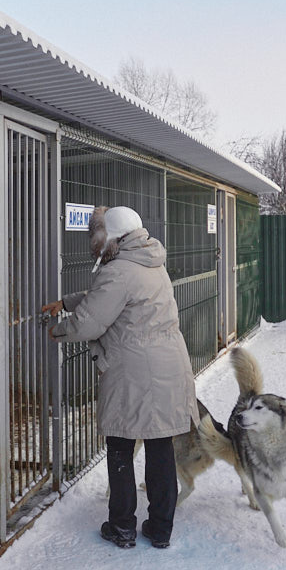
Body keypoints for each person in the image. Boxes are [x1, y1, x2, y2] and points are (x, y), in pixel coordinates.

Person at [42, 206, 197, 549]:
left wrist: (60, 330)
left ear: (113, 237)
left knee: (120, 443)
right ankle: (160, 529)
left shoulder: (119, 271)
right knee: (160, 447)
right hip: (169, 366)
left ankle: (122, 525)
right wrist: (66, 302)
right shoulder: (150, 262)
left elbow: (91, 321)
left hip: (136, 371)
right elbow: (108, 300)